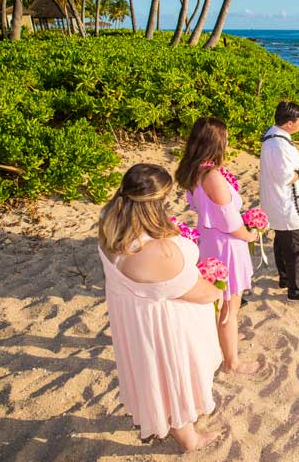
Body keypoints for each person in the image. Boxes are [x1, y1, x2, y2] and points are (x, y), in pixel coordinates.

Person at [97, 163, 222, 452]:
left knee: (152, 373)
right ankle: (188, 437)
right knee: (170, 373)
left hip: (133, 318)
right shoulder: (155, 251)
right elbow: (198, 293)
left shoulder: (110, 223)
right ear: (154, 204)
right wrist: (218, 288)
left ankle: (172, 423)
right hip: (161, 323)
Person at [175, 117, 260, 375]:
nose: (228, 141)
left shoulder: (193, 170)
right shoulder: (212, 176)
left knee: (221, 300)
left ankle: (226, 337)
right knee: (229, 305)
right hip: (226, 245)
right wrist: (251, 235)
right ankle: (232, 363)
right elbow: (230, 222)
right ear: (216, 142)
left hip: (209, 241)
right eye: (225, 137)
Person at [260, 101, 299, 301]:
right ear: (289, 123)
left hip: (277, 200)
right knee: (297, 246)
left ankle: (286, 278)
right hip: (284, 203)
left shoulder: (273, 137)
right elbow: (285, 178)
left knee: (282, 241)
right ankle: (295, 289)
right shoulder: (278, 144)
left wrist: (297, 167)